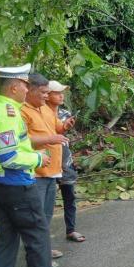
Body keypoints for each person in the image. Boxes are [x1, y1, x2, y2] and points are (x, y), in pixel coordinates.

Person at [0, 63, 73, 267]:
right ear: (13, 87)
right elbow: (9, 157)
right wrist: (38, 157)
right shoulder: (8, 115)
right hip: (17, 184)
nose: (27, 88)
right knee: (38, 237)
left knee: (7, 242)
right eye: (24, 85)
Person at [20, 74, 75, 267]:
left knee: (46, 216)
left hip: (53, 170)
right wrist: (49, 140)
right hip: (36, 172)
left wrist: (64, 126)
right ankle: (34, 260)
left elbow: (56, 127)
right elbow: (22, 140)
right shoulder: (22, 112)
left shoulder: (44, 108)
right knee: (36, 217)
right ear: (30, 91)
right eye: (43, 92)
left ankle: (43, 249)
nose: (46, 96)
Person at [45, 80, 85, 243]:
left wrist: (66, 126)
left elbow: (64, 136)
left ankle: (71, 230)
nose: (61, 96)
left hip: (64, 160)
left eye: (62, 92)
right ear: (47, 95)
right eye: (57, 93)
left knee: (69, 196)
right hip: (46, 161)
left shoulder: (64, 113)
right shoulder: (40, 113)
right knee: (46, 202)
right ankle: (43, 240)